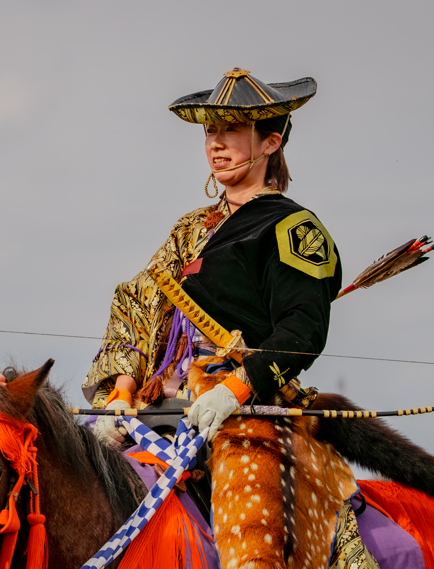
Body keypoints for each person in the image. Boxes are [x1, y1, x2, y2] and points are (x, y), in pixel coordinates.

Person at [83, 68, 343, 446]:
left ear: (271, 142)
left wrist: (234, 390)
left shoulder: (294, 227)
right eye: (209, 131)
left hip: (237, 404)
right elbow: (137, 303)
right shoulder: (191, 227)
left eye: (231, 129)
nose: (215, 144)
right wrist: (121, 392)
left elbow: (302, 330)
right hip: (152, 403)